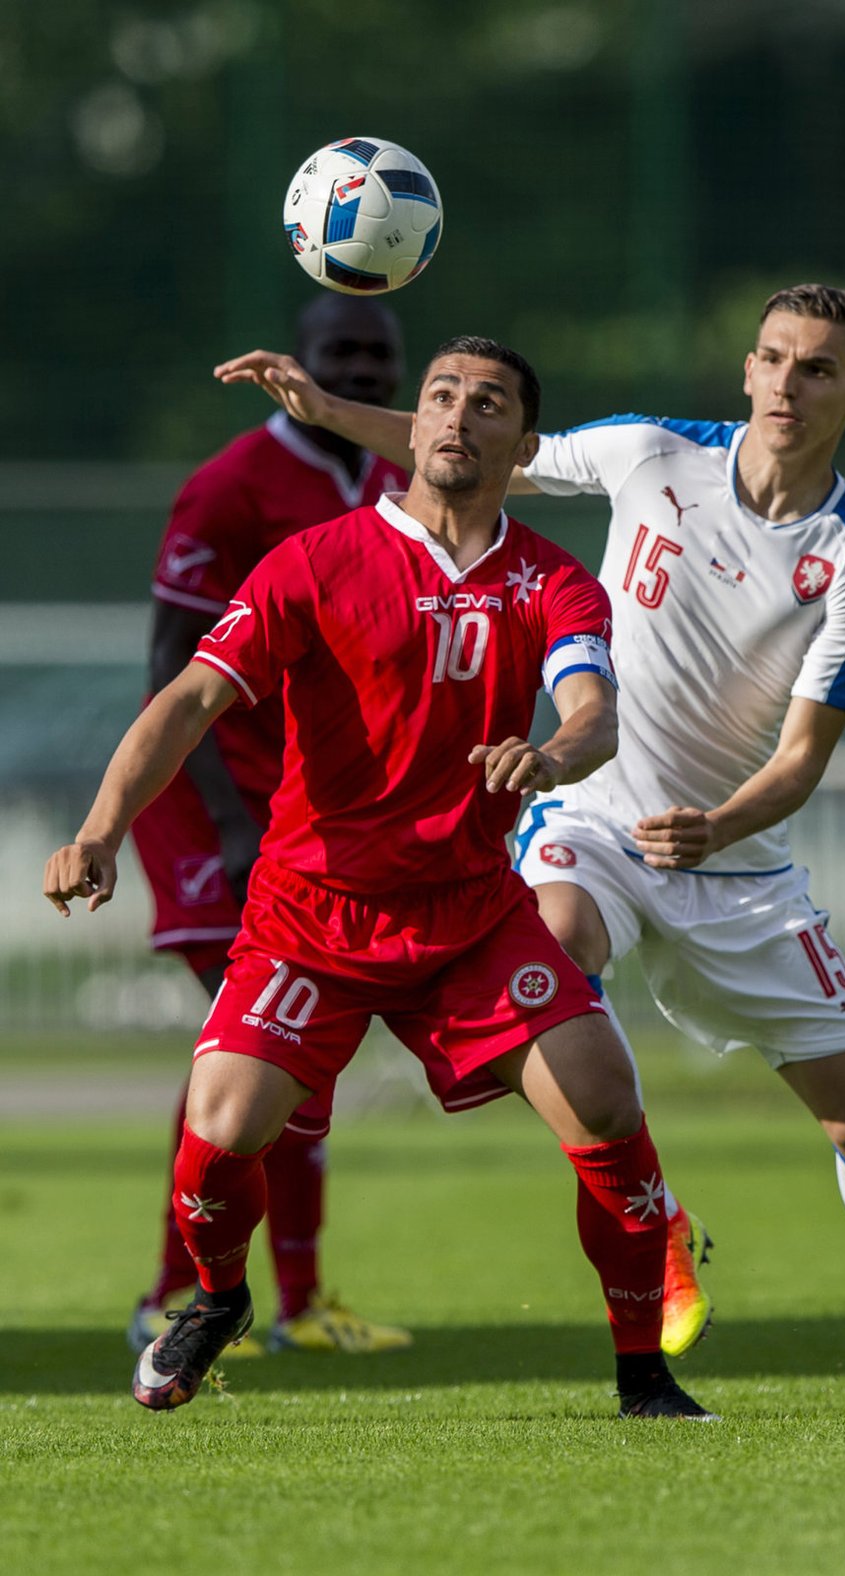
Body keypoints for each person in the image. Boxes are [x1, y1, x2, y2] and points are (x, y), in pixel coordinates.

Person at [212, 286, 845, 1405]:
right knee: (558, 944)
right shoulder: (652, 453)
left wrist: (718, 827)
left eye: (817, 369)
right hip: (593, 814)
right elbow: (478, 452)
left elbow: (804, 757)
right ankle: (658, 1215)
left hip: (734, 866)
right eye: (773, 358)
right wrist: (326, 407)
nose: (788, 384)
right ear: (745, 368)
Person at [44, 336, 714, 1423]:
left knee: (605, 1103)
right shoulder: (316, 559)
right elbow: (188, 701)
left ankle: (645, 1374)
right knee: (218, 1134)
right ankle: (216, 1300)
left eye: (486, 401)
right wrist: (101, 828)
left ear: (521, 442)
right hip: (312, 912)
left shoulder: (550, 577)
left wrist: (549, 753)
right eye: (441, 394)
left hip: (470, 917)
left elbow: (594, 709)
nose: (457, 414)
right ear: (415, 425)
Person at [128, 293, 413, 1359]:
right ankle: (177, 1297)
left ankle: (293, 1304)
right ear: (296, 364)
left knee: (285, 1066)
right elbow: (171, 667)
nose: (363, 370)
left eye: (378, 355)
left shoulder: (392, 480)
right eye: (340, 351)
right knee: (247, 1059)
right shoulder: (229, 485)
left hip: (312, 818)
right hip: (215, 809)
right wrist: (231, 820)